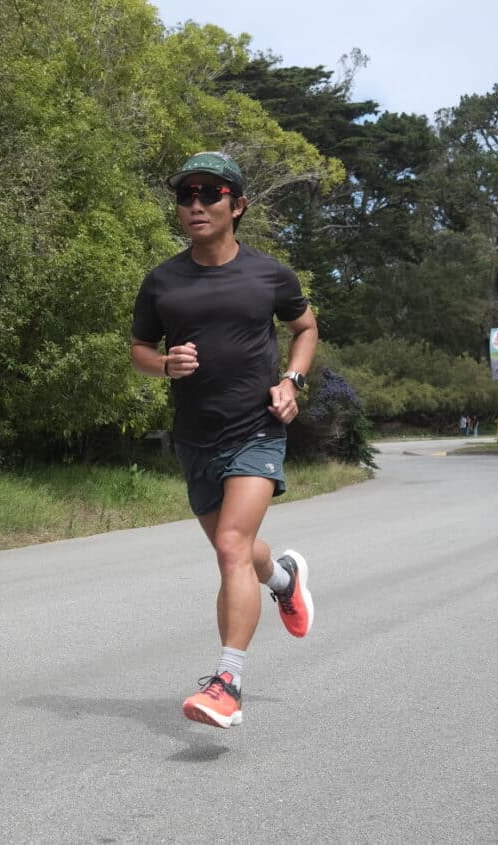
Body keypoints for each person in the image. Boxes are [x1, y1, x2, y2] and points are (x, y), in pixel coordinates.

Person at [130, 151, 318, 729]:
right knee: (238, 549)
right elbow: (138, 351)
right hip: (195, 439)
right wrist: (165, 366)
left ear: (237, 205)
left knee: (232, 546)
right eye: (186, 196)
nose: (195, 205)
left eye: (209, 194)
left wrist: (292, 381)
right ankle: (284, 578)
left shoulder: (270, 274)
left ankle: (226, 682)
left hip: (257, 429)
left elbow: (305, 328)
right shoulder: (163, 280)